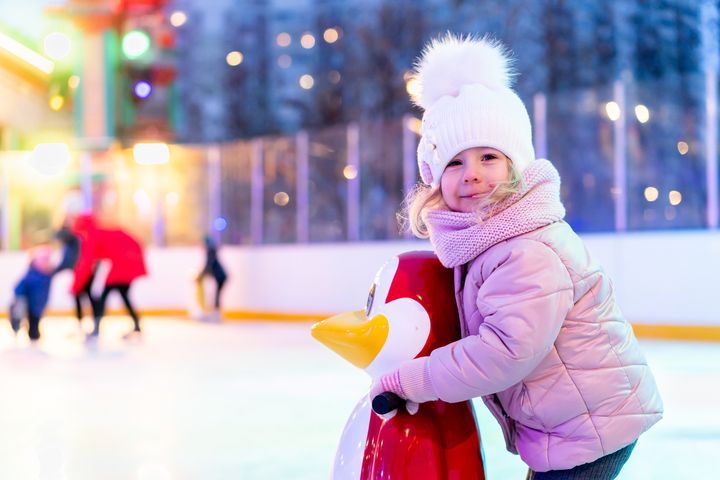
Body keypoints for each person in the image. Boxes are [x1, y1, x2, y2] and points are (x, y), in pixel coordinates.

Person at [370, 35, 663, 479]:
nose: (472, 174)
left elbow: (505, 351)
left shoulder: (523, 248)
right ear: (434, 178)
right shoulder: (486, 241)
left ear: (515, 166)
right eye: (454, 163)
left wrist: (416, 379)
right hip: (569, 422)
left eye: (488, 156)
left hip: (590, 428)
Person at [72, 213, 147, 340]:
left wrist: (76, 285)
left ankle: (97, 328)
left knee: (102, 297)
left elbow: (87, 260)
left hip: (122, 266)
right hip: (128, 264)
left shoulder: (92, 234)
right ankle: (136, 325)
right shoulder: (102, 231)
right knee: (123, 295)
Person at [55, 224, 96, 330]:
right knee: (79, 297)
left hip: (86, 273)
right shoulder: (68, 244)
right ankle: (81, 323)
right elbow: (66, 262)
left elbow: (70, 261)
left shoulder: (75, 240)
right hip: (79, 273)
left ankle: (94, 323)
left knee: (87, 296)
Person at [10, 246, 54, 342]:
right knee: (29, 318)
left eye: (47, 259)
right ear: (35, 262)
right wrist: (19, 298)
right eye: (43, 260)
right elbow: (19, 287)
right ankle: (24, 330)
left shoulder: (48, 275)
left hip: (40, 303)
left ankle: (34, 333)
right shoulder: (31, 275)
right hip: (30, 303)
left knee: (36, 319)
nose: (45, 262)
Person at [197, 234, 227, 320]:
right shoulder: (212, 250)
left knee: (216, 294)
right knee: (216, 294)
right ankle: (215, 313)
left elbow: (208, 265)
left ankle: (215, 313)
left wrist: (201, 274)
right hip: (220, 276)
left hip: (220, 276)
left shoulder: (210, 251)